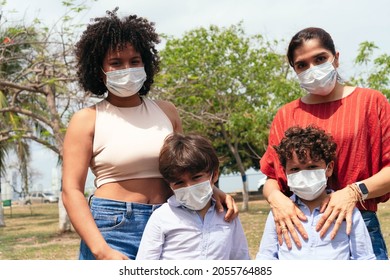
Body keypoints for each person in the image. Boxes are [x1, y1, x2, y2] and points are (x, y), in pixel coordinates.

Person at [61, 8, 237, 260]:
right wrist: (100, 250)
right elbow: (71, 191)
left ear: (146, 64)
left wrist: (214, 191)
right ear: (99, 70)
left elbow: (184, 166)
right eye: (116, 63)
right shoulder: (86, 119)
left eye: (134, 61)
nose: (127, 68)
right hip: (114, 228)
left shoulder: (167, 111)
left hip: (172, 219)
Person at [260, 27, 390, 260]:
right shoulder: (286, 114)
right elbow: (272, 178)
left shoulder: (371, 102)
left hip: (358, 223)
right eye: (302, 65)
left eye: (320, 59)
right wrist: (276, 199)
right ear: (295, 70)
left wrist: (353, 192)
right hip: (299, 226)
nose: (312, 69)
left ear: (336, 58)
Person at [256, 125, 375, 260]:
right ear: (285, 172)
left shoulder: (346, 210)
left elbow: (364, 259)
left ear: (329, 168)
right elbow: (266, 257)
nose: (304, 174)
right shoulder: (279, 212)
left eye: (312, 167)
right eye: (295, 169)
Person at [136, 133, 250, 260]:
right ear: (170, 185)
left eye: (196, 178)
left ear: (215, 174)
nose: (189, 186)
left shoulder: (228, 215)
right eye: (179, 182)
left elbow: (241, 257)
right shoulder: (162, 217)